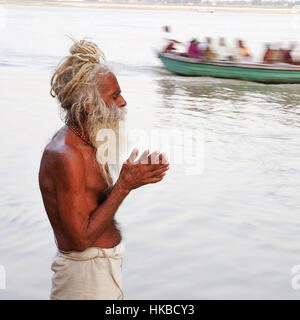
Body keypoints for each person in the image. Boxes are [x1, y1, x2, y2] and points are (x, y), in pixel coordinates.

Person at [39, 39, 169, 300]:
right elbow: (79, 239)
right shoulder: (66, 155)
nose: (123, 102)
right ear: (89, 105)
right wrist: (123, 185)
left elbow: (91, 205)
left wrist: (134, 178)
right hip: (84, 278)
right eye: (114, 95)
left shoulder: (87, 142)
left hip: (100, 272)